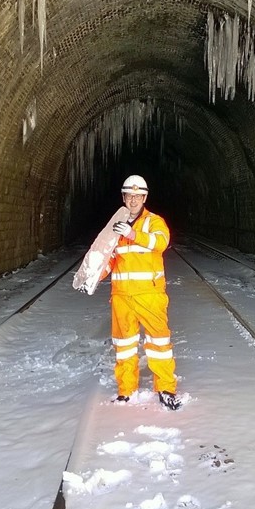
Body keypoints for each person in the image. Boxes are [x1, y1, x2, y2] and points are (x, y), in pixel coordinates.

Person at [102, 175, 180, 410]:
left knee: (159, 343)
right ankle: (126, 390)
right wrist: (94, 275)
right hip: (122, 297)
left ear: (144, 198)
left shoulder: (154, 222)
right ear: (124, 197)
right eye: (129, 195)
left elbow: (161, 242)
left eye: (138, 196)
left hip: (150, 295)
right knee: (124, 345)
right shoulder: (115, 226)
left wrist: (133, 234)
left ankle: (165, 388)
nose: (133, 200)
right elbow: (109, 258)